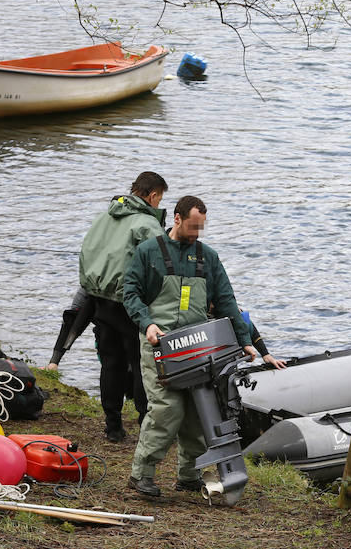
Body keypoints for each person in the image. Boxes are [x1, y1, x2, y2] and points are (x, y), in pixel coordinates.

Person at [123, 195, 285, 497]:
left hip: (198, 348)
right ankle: (141, 474)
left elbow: (226, 300)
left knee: (198, 413)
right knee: (166, 409)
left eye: (201, 228)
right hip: (160, 345)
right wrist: (147, 323)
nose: (196, 234)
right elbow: (129, 291)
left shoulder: (207, 257)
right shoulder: (148, 252)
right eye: (192, 227)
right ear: (177, 219)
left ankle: (188, 475)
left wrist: (245, 341)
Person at [79, 171, 168, 443]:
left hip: (99, 300)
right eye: (160, 199)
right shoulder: (146, 225)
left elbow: (87, 253)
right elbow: (161, 267)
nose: (159, 204)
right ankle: (145, 425)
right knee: (141, 364)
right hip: (130, 304)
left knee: (111, 363)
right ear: (152, 196)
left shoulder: (103, 218)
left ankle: (113, 427)